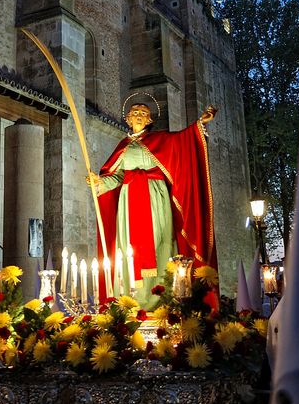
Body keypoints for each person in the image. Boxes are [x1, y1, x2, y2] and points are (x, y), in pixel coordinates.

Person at [88, 99, 218, 308]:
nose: (138, 114)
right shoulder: (123, 146)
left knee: (161, 242)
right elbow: (117, 177)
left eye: (143, 112)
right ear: (128, 119)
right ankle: (132, 301)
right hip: (128, 203)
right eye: (135, 111)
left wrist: (200, 124)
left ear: (149, 119)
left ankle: (163, 299)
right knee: (129, 248)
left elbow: (183, 141)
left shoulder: (161, 140)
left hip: (155, 198)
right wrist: (99, 182)